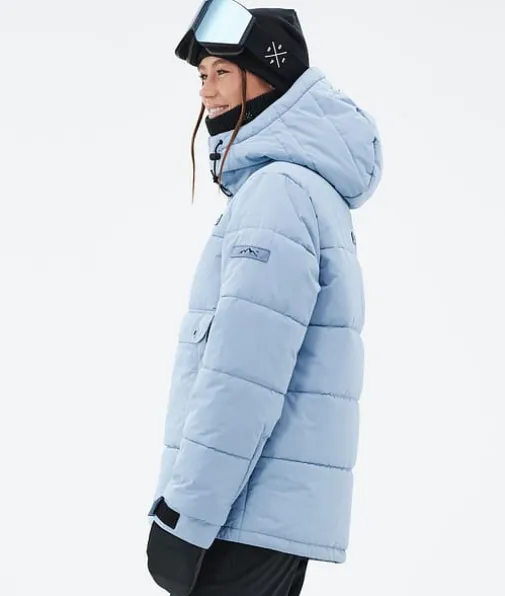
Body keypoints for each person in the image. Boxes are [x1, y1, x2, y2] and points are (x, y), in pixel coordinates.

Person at [146, 2, 383, 594]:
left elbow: (243, 378)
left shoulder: (278, 193)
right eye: (202, 76)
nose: (207, 90)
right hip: (263, 518)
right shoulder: (301, 188)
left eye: (222, 72)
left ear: (269, 76)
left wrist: (185, 518)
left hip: (239, 521)